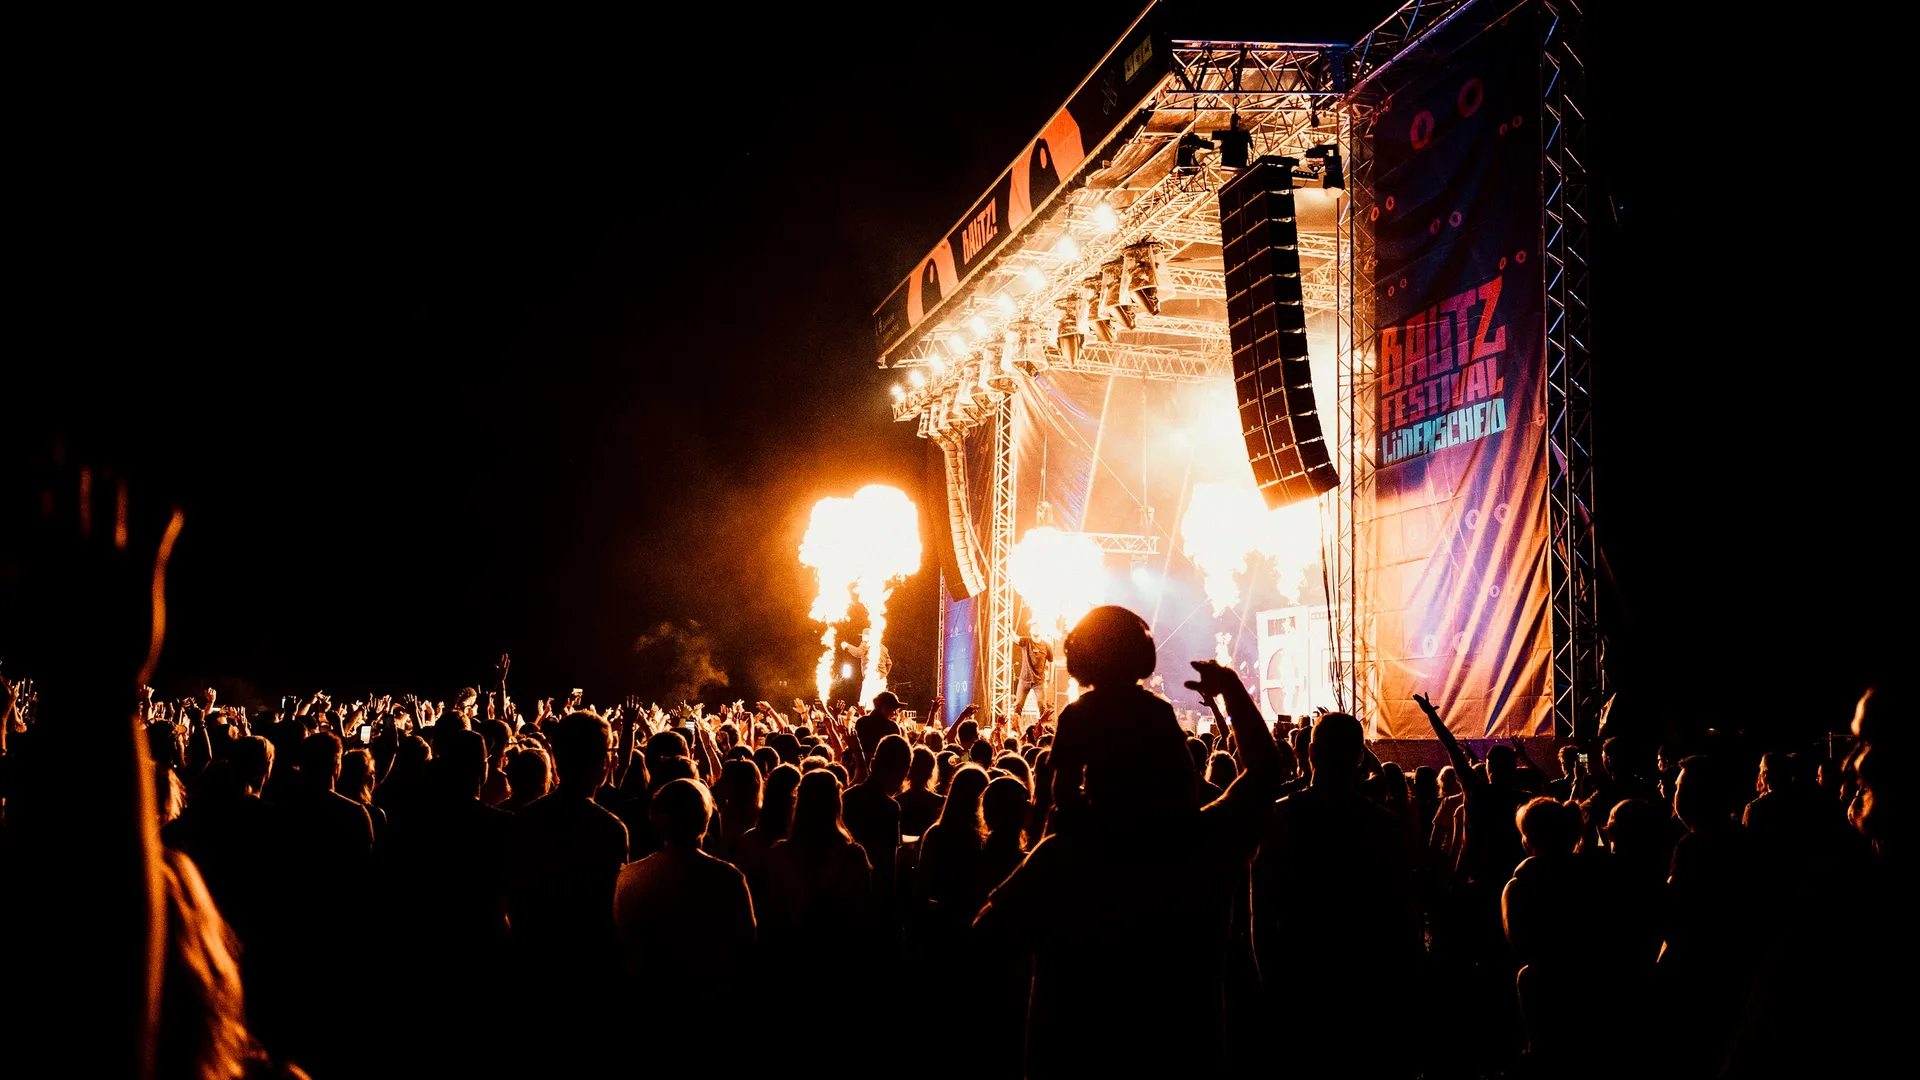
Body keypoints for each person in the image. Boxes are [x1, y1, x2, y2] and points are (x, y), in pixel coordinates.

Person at [974, 603, 1282, 1080]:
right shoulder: (1206, 842)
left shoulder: (1066, 858)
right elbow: (1264, 772)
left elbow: (984, 941)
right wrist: (1232, 694)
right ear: (1170, 759)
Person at [1254, 710, 1420, 1078]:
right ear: (1360, 757)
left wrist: (1268, 977)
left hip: (1300, 973)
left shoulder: (1279, 818)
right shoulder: (1385, 826)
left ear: (1310, 753)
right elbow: (1403, 916)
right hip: (1366, 982)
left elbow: (1261, 908)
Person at [506, 712, 628, 1071]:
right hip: (589, 976)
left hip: (533, 967)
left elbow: (515, 893)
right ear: (603, 763)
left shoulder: (525, 821)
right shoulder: (609, 829)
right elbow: (612, 912)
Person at [612, 778, 754, 1011]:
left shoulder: (631, 875)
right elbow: (746, 944)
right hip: (711, 995)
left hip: (648, 994)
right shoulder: (727, 878)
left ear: (656, 820)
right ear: (706, 822)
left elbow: (622, 938)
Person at [842, 733, 909, 920]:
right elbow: (888, 863)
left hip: (847, 895)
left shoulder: (847, 797)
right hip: (875, 896)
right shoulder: (889, 807)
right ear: (901, 771)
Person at [1012, 627, 1053, 716]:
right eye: (1034, 628)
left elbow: (1051, 661)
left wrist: (1051, 676)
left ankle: (1042, 728)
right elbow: (1015, 637)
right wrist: (1009, 626)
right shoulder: (1026, 641)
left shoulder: (1046, 645)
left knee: (1042, 708)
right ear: (1030, 632)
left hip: (1039, 682)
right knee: (1018, 706)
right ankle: (1015, 728)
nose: (1036, 629)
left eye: (1037, 628)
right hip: (1024, 680)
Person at [854, 690, 903, 759]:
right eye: (893, 709)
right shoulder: (891, 726)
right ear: (884, 707)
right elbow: (898, 752)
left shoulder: (861, 722)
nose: (895, 713)